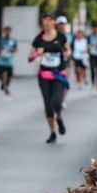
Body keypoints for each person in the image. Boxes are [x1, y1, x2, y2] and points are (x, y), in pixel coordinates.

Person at [28, 13, 70, 143]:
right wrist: (36, 53)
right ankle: (52, 132)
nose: (46, 23)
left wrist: (66, 54)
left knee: (56, 102)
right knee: (47, 105)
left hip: (58, 75)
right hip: (44, 76)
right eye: (44, 21)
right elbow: (29, 58)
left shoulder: (61, 37)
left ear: (53, 23)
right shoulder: (38, 39)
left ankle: (59, 118)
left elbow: (68, 50)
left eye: (48, 20)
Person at [55, 16, 72, 107]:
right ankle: (56, 98)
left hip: (66, 61)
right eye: (60, 23)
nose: (62, 25)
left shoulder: (69, 36)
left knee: (65, 81)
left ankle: (63, 100)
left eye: (64, 23)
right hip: (55, 61)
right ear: (56, 25)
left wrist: (67, 53)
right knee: (56, 81)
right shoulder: (53, 35)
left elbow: (71, 48)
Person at [0, 26, 17, 95]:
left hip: (9, 61)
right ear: (4, 32)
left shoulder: (13, 40)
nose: (7, 32)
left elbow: (15, 49)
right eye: (6, 31)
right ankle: (3, 82)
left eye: (9, 31)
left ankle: (6, 87)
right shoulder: (0, 39)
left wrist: (11, 50)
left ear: (10, 32)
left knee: (10, 75)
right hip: (1, 60)